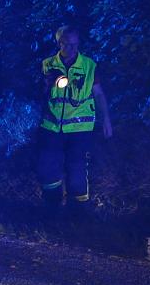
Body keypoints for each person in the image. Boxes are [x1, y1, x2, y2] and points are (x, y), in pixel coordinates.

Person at [37, 25, 112, 216]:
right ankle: (52, 209)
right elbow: (39, 93)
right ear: (58, 43)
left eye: (75, 45)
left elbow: (99, 94)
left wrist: (106, 119)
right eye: (67, 45)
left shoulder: (89, 65)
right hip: (52, 126)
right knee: (48, 168)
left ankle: (79, 213)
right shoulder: (47, 64)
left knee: (76, 168)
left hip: (80, 127)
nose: (72, 49)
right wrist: (46, 83)